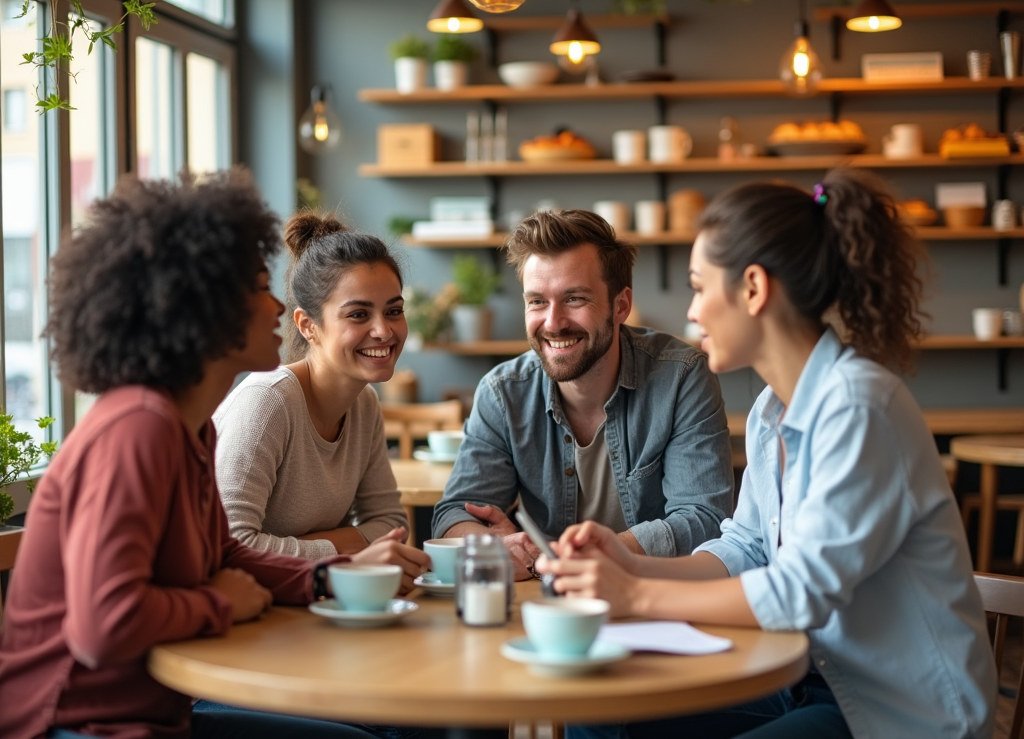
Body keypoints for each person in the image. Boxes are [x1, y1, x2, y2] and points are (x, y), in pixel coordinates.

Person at [540, 170, 996, 739]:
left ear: (753, 289)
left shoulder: (857, 407)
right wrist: (629, 563)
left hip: (895, 712)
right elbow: (746, 546)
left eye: (701, 287)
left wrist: (634, 595)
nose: (692, 312)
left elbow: (801, 592)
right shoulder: (769, 412)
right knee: (601, 712)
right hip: (805, 681)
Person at [0, 170, 388, 739]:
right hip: (73, 725)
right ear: (202, 308)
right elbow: (102, 627)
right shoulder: (137, 428)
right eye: (259, 287)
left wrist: (334, 577)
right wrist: (218, 605)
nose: (279, 306)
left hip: (155, 714)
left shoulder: (189, 427)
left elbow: (224, 554)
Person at [432, 209, 734, 579]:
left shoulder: (681, 377)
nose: (553, 322)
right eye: (537, 301)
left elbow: (705, 519)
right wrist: (495, 544)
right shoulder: (501, 393)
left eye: (574, 299)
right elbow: (453, 516)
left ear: (620, 305)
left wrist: (581, 554)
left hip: (653, 596)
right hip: (546, 604)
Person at [213, 212, 428, 594]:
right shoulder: (268, 403)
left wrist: (336, 552)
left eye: (394, 310)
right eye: (358, 314)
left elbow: (390, 522)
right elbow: (229, 544)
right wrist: (341, 551)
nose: (384, 330)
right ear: (308, 326)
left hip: (300, 609)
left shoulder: (364, 404)